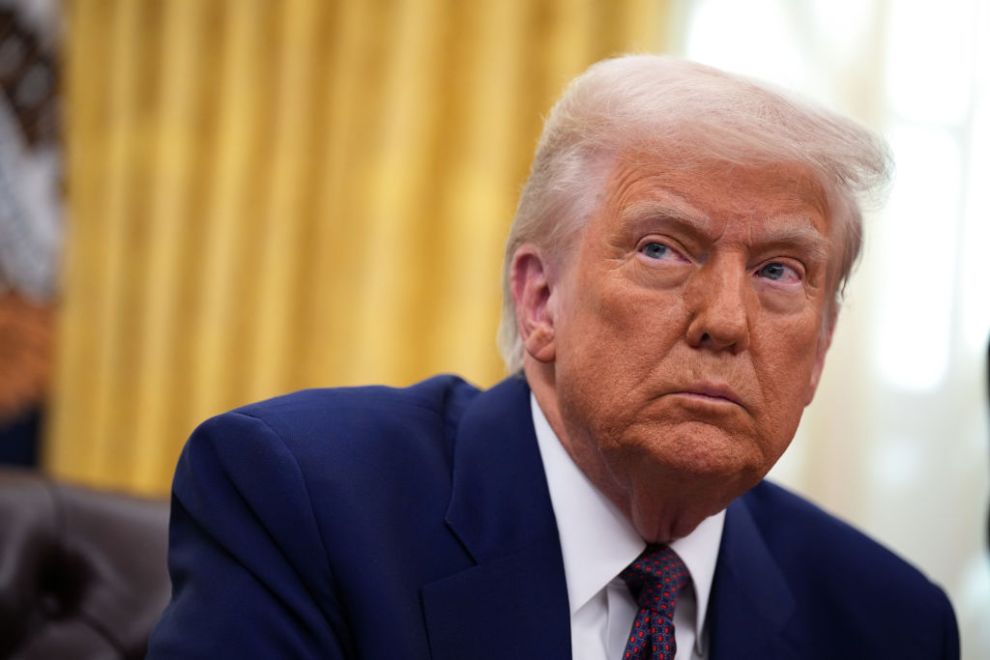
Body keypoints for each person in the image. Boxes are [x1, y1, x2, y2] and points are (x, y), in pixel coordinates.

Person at [148, 56, 959, 659]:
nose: (725, 321)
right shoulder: (306, 503)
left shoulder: (888, 622)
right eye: (662, 250)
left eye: (780, 271)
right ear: (541, 301)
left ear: (820, 349)